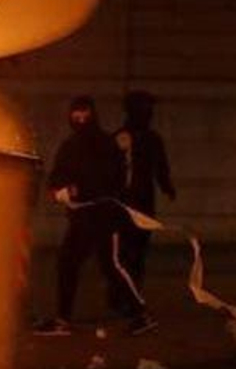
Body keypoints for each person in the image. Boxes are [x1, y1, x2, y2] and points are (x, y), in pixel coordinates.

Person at [33, 95, 156, 337]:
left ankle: (141, 315)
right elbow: (57, 174)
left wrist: (79, 189)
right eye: (75, 115)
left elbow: (111, 179)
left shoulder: (105, 145)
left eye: (84, 115)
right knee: (68, 264)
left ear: (93, 115)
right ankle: (63, 320)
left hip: (104, 218)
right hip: (80, 219)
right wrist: (56, 191)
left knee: (111, 266)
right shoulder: (69, 146)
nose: (80, 119)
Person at [111, 90, 176, 296]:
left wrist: (166, 186)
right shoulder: (121, 137)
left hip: (143, 202)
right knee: (124, 252)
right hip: (123, 203)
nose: (149, 114)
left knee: (137, 251)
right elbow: (110, 169)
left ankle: (132, 291)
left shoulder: (152, 139)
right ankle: (123, 291)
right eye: (145, 109)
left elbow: (160, 167)